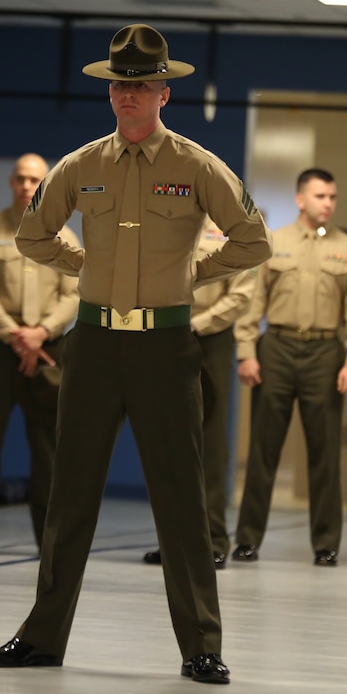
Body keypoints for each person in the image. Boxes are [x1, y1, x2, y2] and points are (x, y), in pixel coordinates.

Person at [0, 24, 270, 685]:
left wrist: (193, 271)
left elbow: (253, 241)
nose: (127, 96)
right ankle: (42, 635)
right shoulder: (82, 166)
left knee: (180, 500)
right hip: (95, 342)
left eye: (140, 85)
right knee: (70, 494)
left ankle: (201, 643)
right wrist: (82, 263)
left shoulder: (197, 165)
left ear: (164, 92)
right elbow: (33, 235)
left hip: (167, 344)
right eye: (119, 86)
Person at [230, 168, 347, 566]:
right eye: (320, 196)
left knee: (325, 454)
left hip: (326, 354)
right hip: (275, 348)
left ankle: (326, 544)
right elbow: (252, 300)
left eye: (332, 197)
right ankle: (247, 539)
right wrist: (246, 351)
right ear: (300, 199)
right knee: (263, 450)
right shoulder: (273, 243)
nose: (328, 203)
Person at [0, 153, 79, 554]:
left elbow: (75, 292)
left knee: (48, 445)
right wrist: (16, 337)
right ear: (10, 182)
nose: (27, 186)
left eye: (35, 180)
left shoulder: (64, 237)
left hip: (48, 348)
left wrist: (41, 333)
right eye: (21, 179)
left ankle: (49, 536)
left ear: (46, 185)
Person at [141, 218, 256, 569]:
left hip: (210, 338)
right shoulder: (165, 223)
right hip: (163, 336)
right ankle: (171, 542)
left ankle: (213, 540)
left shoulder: (231, 230)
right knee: (166, 442)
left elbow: (241, 294)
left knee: (210, 442)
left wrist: (196, 324)